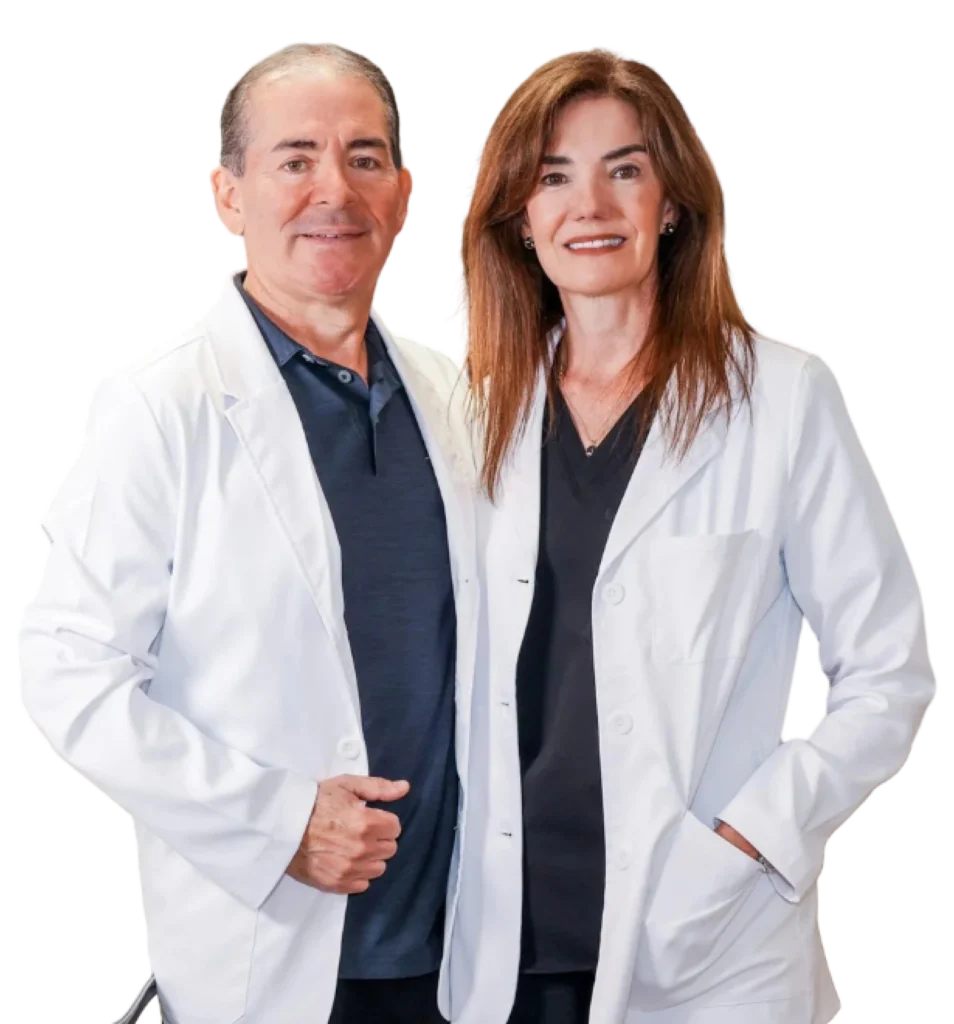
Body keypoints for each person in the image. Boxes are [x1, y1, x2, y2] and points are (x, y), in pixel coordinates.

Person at [448, 46, 935, 1024]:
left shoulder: (783, 399)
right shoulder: (474, 414)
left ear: (671, 200)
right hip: (507, 939)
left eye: (623, 169)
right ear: (520, 217)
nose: (590, 206)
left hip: (705, 942)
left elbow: (891, 675)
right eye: (554, 177)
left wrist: (745, 841)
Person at [16, 40, 477, 1024]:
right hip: (271, 956)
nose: (334, 190)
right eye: (295, 157)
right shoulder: (156, 405)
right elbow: (67, 676)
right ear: (226, 195)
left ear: (404, 195)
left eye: (364, 157)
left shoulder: (452, 394)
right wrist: (280, 824)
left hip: (457, 953)